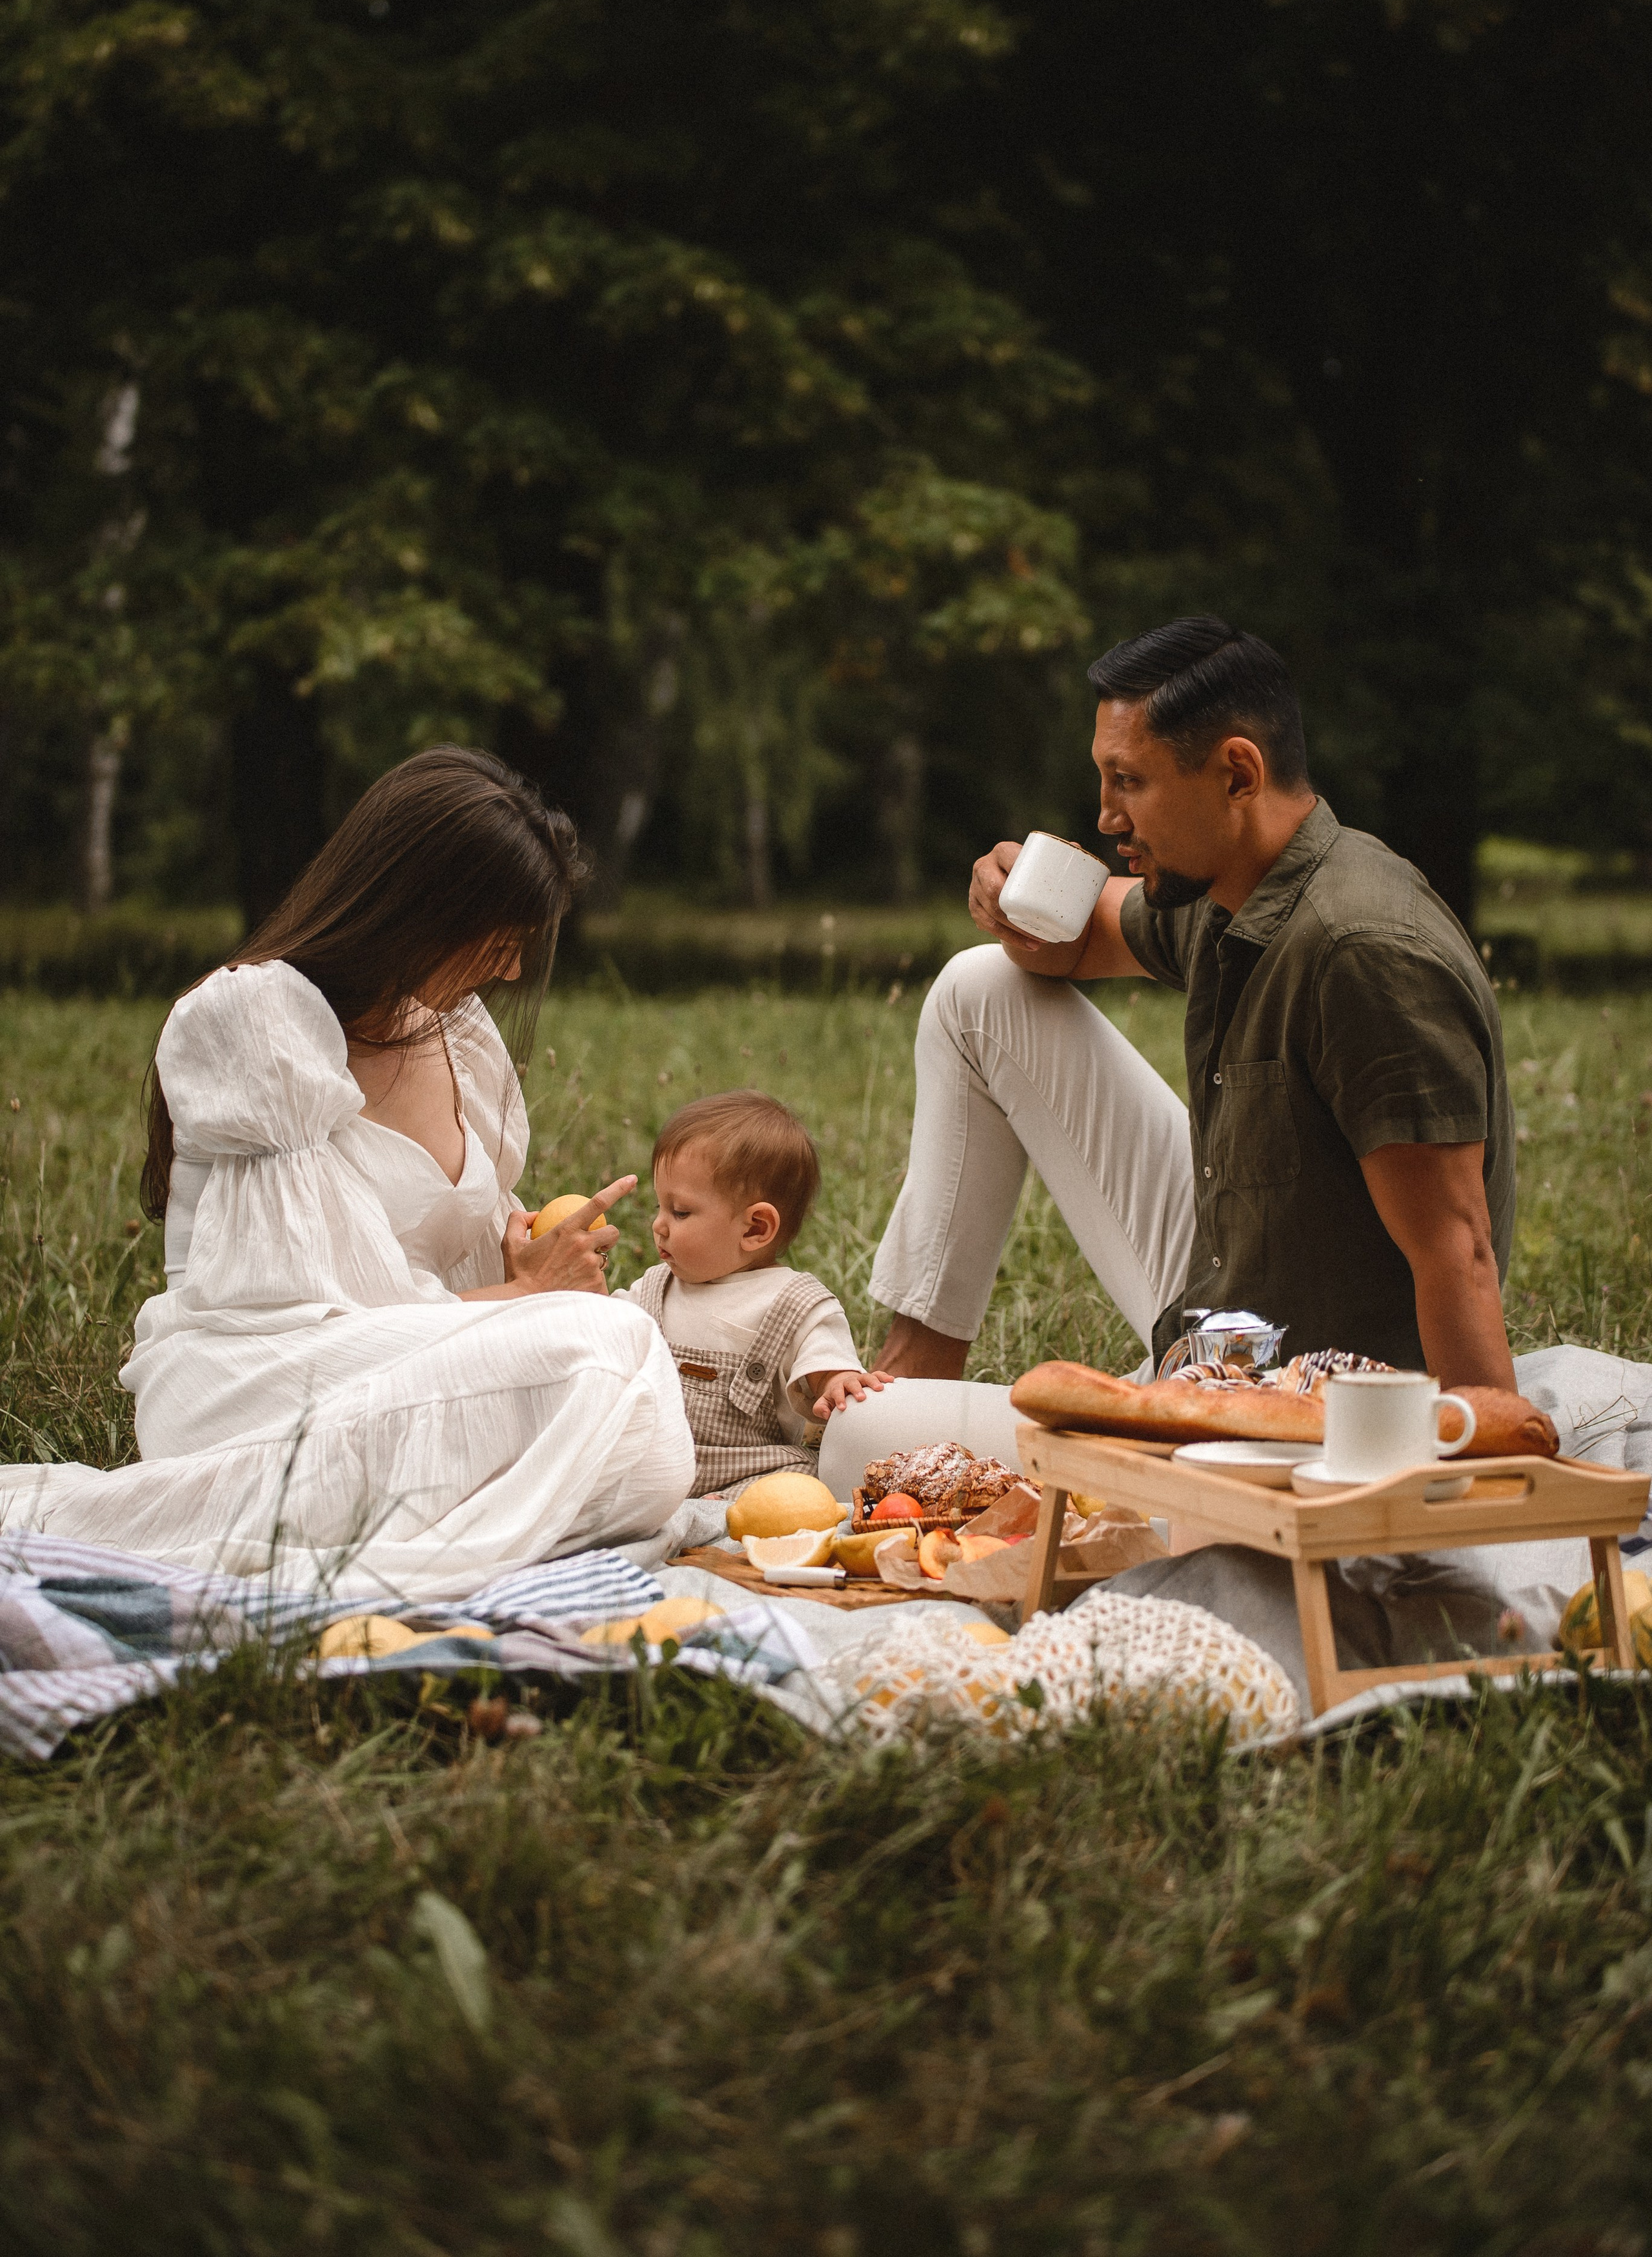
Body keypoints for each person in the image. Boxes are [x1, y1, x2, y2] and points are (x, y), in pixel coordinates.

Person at [0, 748, 695, 1597]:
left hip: (396, 1374)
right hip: (259, 1381)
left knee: (639, 1407)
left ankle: (439, 1521)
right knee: (612, 1354)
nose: (513, 970)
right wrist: (523, 1299)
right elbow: (299, 1302)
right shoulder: (260, 1019)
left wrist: (523, 1267)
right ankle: (390, 1522)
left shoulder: (455, 1034)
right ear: (425, 910)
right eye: (501, 942)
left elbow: (453, 1294)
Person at [870, 617, 1517, 1390]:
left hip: (1313, 1394)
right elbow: (1073, 942)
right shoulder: (1236, 887)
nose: (1107, 817)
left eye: (1129, 782)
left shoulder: (1361, 952)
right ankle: (918, 1368)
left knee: (860, 1437)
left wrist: (1486, 1452)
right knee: (980, 988)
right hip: (1236, 1300)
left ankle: (902, 1409)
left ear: (1237, 775)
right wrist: (1015, 894)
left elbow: (1457, 1252)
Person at [616, 1091, 889, 1494]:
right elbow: (601, 1332)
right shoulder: (655, 1288)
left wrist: (838, 1382)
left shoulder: (796, 1303)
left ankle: (712, 1520)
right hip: (650, 1465)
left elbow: (827, 1367)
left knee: (801, 1476)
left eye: (680, 1212)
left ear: (755, 1228)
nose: (658, 1225)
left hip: (744, 1472)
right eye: (659, 1207)